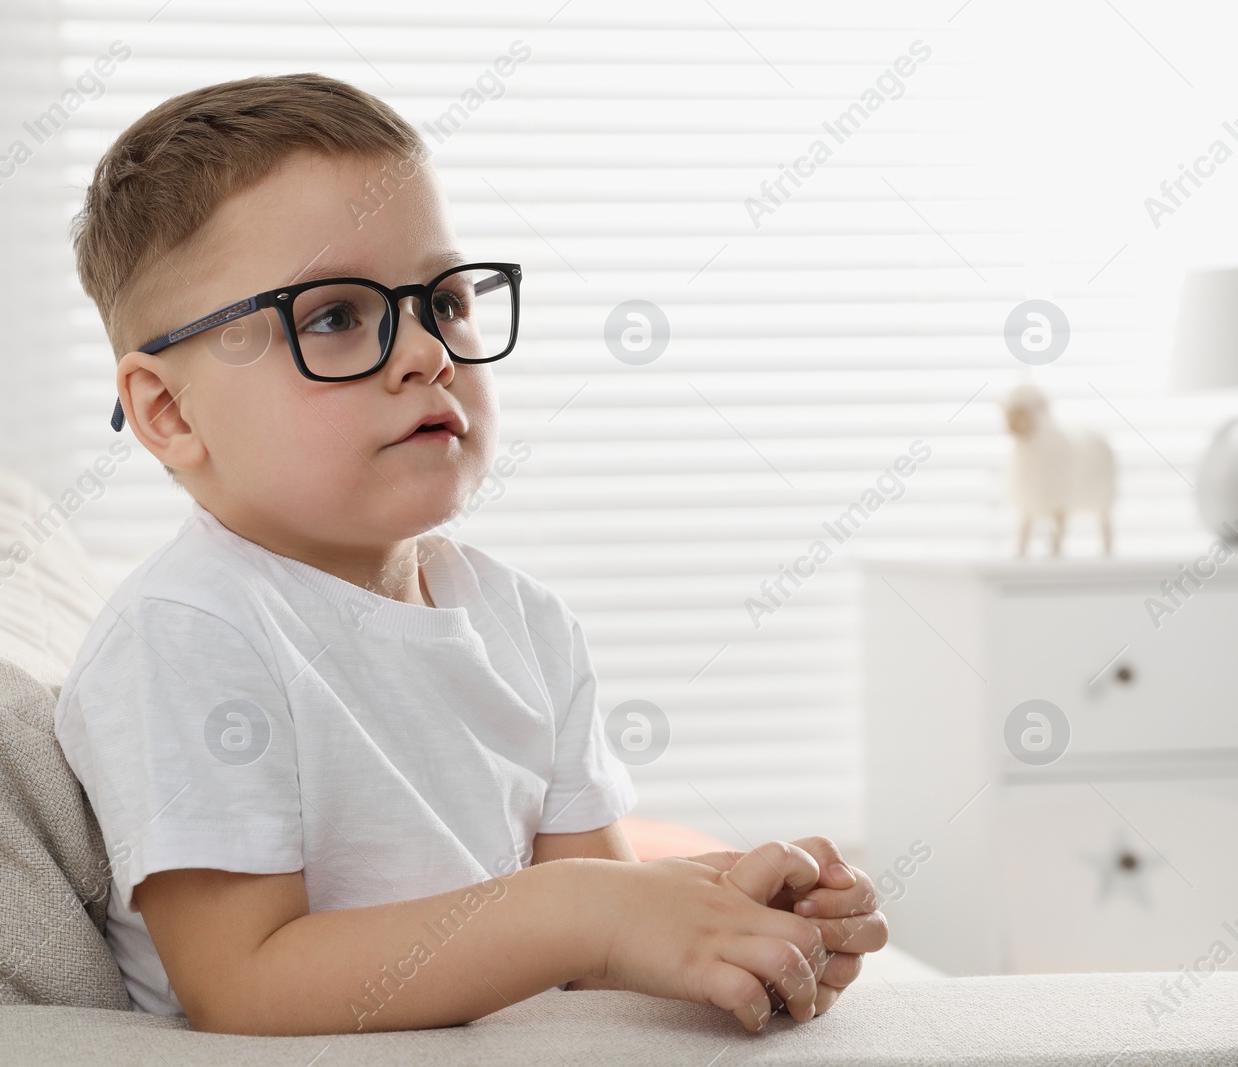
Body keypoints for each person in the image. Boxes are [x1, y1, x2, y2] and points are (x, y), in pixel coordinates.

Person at [55, 72, 886, 1036]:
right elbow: (242, 982)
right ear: (168, 410)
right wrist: (585, 910)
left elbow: (591, 940)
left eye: (444, 301)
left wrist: (726, 927)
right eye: (334, 316)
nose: (426, 352)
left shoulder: (523, 622)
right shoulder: (188, 632)